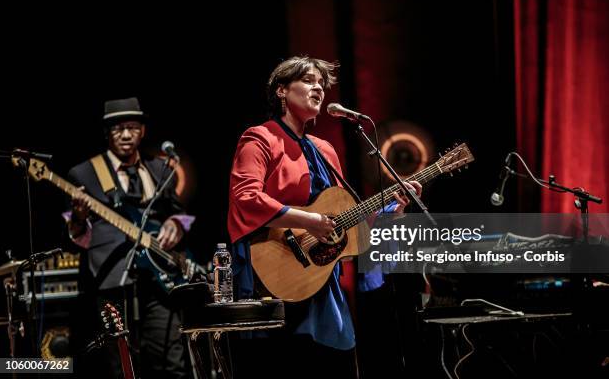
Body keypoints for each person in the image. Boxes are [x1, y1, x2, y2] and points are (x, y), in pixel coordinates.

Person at [227, 56, 422, 377]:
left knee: (336, 364)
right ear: (281, 91)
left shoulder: (325, 150)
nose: (318, 87)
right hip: (275, 272)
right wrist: (308, 222)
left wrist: (393, 212)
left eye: (321, 83)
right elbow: (246, 198)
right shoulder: (259, 138)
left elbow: (345, 224)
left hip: (320, 278)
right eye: (307, 80)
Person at [64, 97, 194, 379]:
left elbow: (180, 213)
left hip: (160, 282)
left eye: (132, 127)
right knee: (118, 365)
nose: (125, 135)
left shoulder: (160, 170)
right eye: (118, 128)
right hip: (111, 282)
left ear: (143, 131)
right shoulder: (84, 173)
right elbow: (79, 237)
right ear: (106, 133)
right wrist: (77, 216)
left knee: (171, 363)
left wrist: (176, 224)